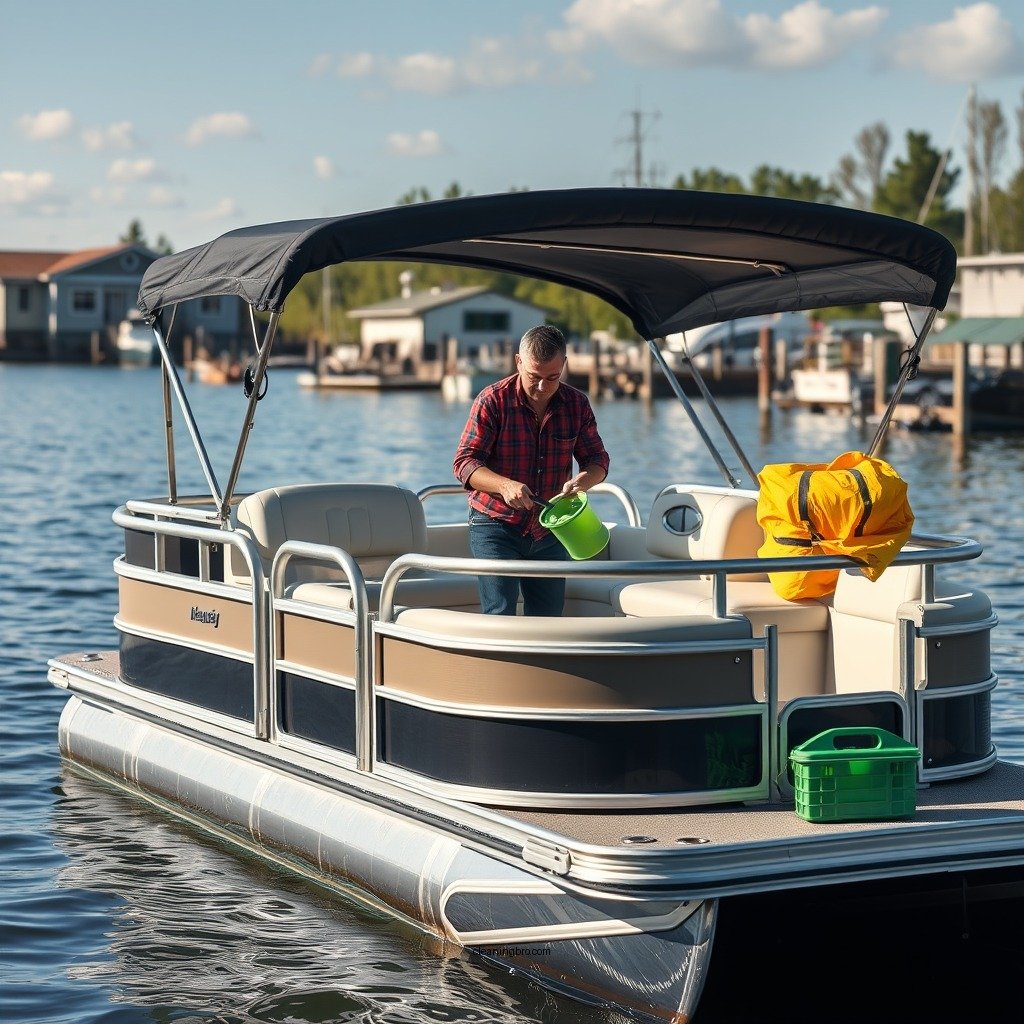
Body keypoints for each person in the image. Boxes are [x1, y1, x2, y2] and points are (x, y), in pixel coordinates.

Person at [453, 325, 610, 616]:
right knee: (499, 614)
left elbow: (598, 459)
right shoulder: (492, 400)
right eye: (533, 377)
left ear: (563, 365)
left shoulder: (577, 404)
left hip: (550, 528)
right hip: (495, 525)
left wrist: (585, 480)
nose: (541, 387)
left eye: (552, 378)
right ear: (518, 362)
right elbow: (464, 463)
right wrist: (504, 485)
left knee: (549, 619)